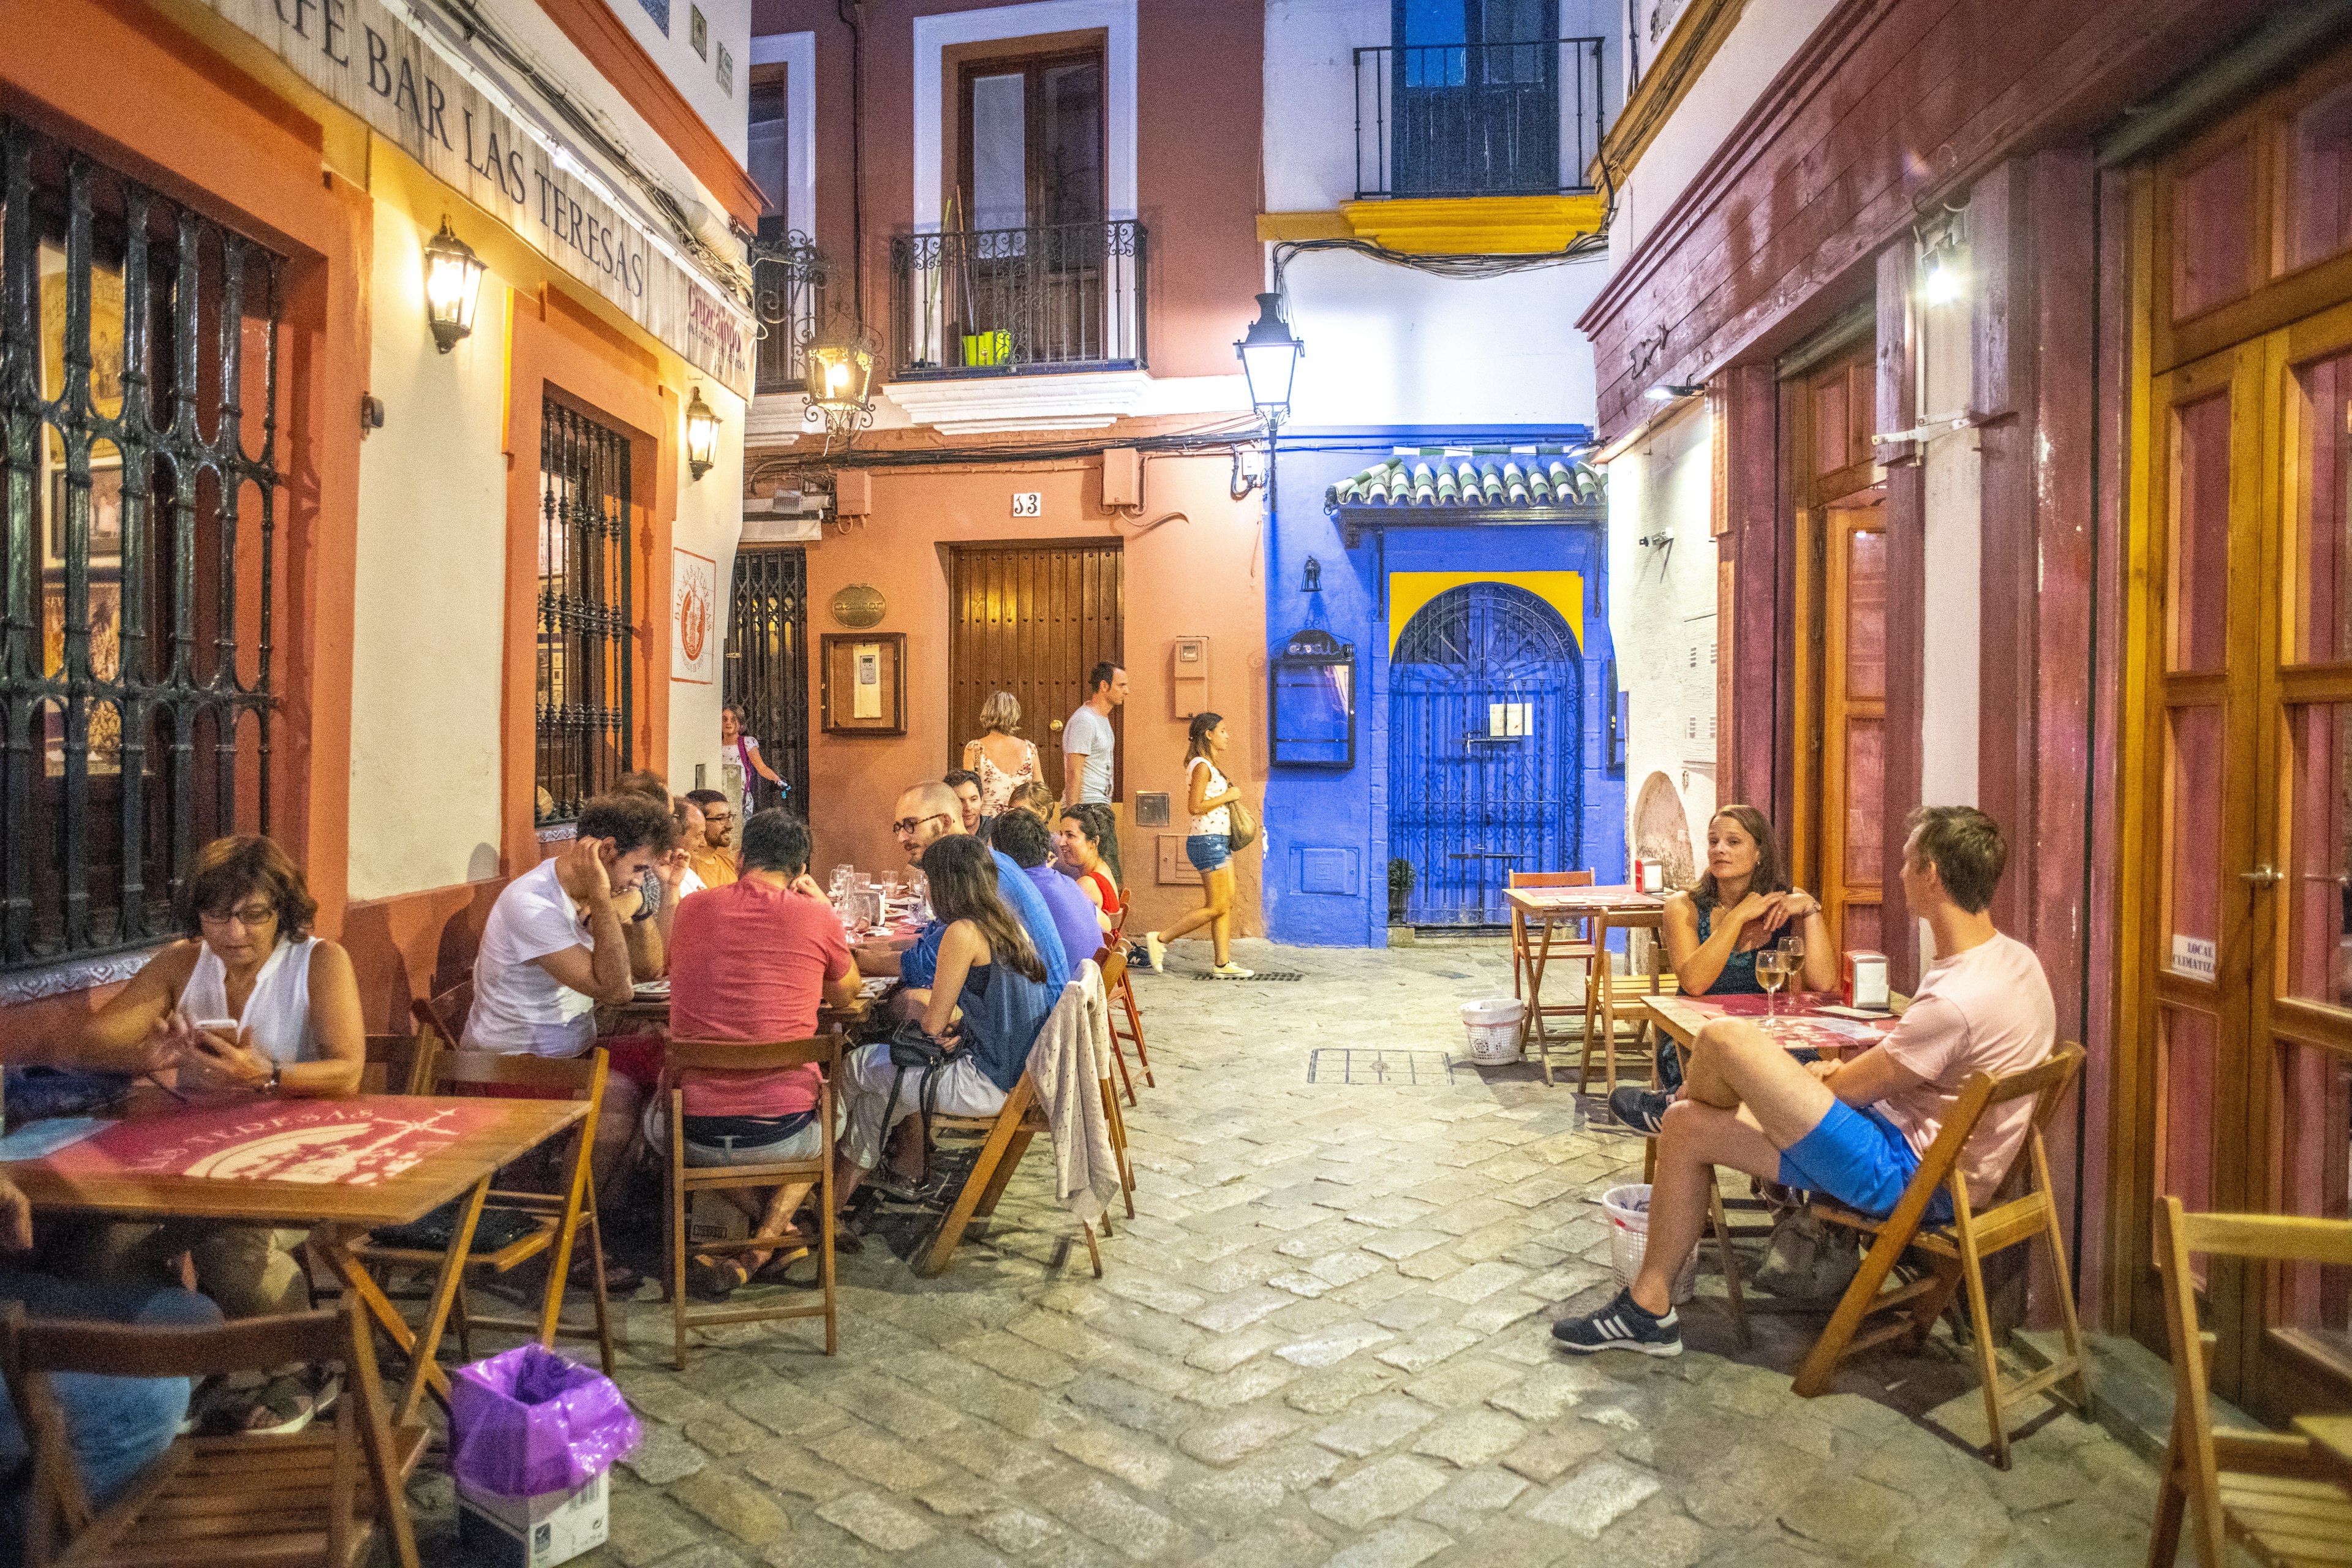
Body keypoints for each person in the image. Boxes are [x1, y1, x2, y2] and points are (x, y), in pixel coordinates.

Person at [1552, 807, 2056, 1357]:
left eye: (1908, 861)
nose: (1901, 871)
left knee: (1724, 1039)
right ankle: (1648, 1308)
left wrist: (1810, 1080)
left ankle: (1677, 1093)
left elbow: (1850, 1090)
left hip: (1905, 1178)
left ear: (1931, 874)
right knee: (1685, 1126)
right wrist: (1819, 1077)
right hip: (1928, 1158)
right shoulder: (2017, 963)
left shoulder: (1957, 999)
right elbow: (1897, 1069)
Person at [61, 834, 357, 1430]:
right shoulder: (181, 963)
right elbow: (91, 1044)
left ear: (283, 912)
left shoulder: (319, 962)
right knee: (105, 1240)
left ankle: (297, 1367)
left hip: (294, 1160)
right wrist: (152, 1053)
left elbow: (347, 1069)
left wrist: (267, 1075)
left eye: (253, 914)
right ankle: (186, 1364)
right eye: (216, 913)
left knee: (231, 1241)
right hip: (186, 1159)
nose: (234, 932)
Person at [662, 810, 861, 1298]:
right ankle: (774, 1237)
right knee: (833, 1113)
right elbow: (847, 994)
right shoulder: (816, 914)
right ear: (800, 869)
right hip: (786, 1130)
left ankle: (758, 1243)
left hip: (695, 1133)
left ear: (740, 857)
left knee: (657, 1120)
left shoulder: (692, 909)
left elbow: (664, 961)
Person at [465, 793, 677, 1202]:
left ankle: (608, 1215)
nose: (638, 881)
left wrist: (632, 908)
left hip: (571, 1053)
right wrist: (602, 897)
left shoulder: (604, 891)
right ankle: (574, 1231)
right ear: (607, 851)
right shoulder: (533, 903)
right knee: (617, 1098)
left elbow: (648, 969)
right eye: (637, 868)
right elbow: (616, 990)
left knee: (673, 1059)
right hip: (512, 1067)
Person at [834, 835, 1054, 1205]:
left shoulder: (963, 932)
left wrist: (941, 1026)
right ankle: (833, 1205)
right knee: (877, 1099)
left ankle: (809, 1172)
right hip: (1017, 1075)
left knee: (855, 1065)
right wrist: (964, 1029)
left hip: (988, 1082)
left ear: (946, 884)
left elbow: (932, 1026)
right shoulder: (1007, 923)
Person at [1611, 804, 1836, 1132]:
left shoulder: (1785, 905)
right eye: (1713, 841)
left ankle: (1672, 1106)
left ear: (1759, 852)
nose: (1719, 849)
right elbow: (1695, 984)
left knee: (1814, 1081)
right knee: (1790, 1090)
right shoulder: (1684, 906)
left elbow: (1824, 982)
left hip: (1770, 1035)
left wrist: (1811, 910)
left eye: (1733, 842)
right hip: (1698, 1039)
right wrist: (1737, 918)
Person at [856, 782, 1070, 1003]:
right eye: (898, 827)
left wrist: (850, 959)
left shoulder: (977, 871)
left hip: (1034, 1023)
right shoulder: (978, 859)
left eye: (911, 825)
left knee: (899, 1005)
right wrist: (868, 949)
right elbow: (931, 938)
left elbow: (926, 964)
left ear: (945, 822)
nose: (901, 838)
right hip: (1023, 1009)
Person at [1141, 711, 1250, 978]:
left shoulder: (1209, 765)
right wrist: (1228, 795)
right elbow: (1194, 806)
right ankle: (1160, 939)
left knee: (1224, 903)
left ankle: (1222, 964)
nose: (1227, 735)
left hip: (1218, 840)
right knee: (1216, 905)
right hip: (1208, 841)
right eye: (1222, 730)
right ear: (1208, 734)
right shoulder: (1201, 765)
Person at [991, 809, 1106, 971]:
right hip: (1091, 984)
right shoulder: (1067, 882)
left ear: (1001, 854)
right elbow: (1106, 925)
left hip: (1066, 991)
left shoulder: (1016, 890)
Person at [962, 692, 1042, 820]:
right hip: (1022, 823)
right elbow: (1040, 791)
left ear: (987, 713)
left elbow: (968, 791)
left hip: (987, 823)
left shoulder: (975, 749)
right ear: (1015, 715)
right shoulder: (1030, 749)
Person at [1061, 662, 1126, 807]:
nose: (1127, 691)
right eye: (1121, 685)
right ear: (1104, 686)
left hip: (1098, 805)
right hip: (1086, 807)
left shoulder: (1101, 718)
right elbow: (1074, 770)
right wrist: (1074, 814)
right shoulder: (1085, 720)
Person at [1055, 802, 1121, 935]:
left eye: (1070, 835)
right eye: (1061, 834)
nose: (1061, 842)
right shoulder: (1104, 868)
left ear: (1093, 843)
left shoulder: (1087, 884)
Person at [723, 704, 788, 820]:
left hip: (740, 796)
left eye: (734, 720)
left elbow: (761, 767)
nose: (729, 723)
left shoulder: (747, 743)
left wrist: (776, 779)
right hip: (721, 795)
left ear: (741, 723)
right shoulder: (715, 744)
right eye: (725, 719)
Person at [683, 788, 739, 890]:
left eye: (729, 816)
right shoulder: (684, 868)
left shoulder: (731, 865)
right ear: (700, 821)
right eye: (721, 818)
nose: (730, 825)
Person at [943, 769, 985, 835]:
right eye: (960, 801)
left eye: (973, 800)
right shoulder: (941, 834)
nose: (968, 808)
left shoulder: (996, 831)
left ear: (982, 800)